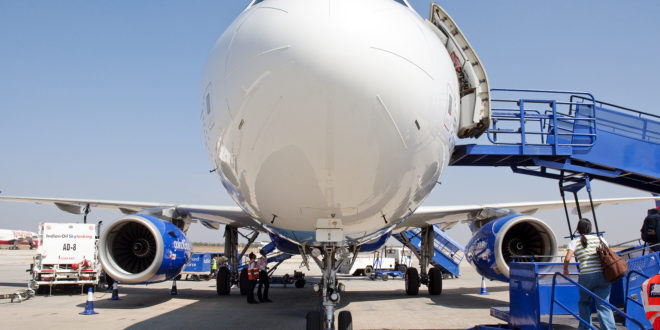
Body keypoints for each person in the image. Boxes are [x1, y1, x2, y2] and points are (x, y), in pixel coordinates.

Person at [563, 218, 616, 330]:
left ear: (578, 229)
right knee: (603, 304)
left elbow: (567, 258)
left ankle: (585, 327)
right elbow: (609, 254)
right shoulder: (600, 239)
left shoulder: (574, 242)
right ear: (590, 228)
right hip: (602, 275)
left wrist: (565, 270)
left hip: (586, 276)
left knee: (584, 302)